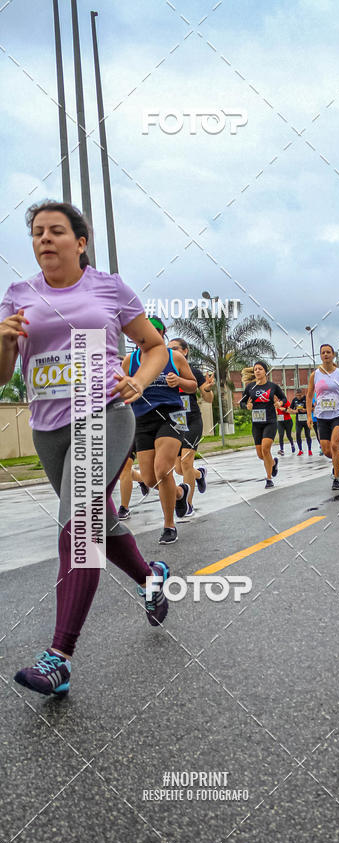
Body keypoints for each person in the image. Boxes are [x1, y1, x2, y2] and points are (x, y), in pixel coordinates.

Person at [0, 200, 172, 695]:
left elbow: (155, 345)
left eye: (56, 231)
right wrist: (6, 343)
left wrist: (140, 379)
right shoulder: (17, 294)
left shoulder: (108, 287)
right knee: (99, 519)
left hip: (105, 415)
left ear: (80, 242)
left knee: (79, 524)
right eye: (37, 232)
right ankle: (150, 575)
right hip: (48, 427)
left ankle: (60, 657)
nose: (44, 239)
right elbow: (2, 375)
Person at [123, 317, 197, 542]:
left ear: (161, 334)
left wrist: (179, 382)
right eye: (144, 330)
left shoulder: (174, 357)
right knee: (148, 479)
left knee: (163, 469)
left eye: (155, 330)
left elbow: (193, 385)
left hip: (170, 416)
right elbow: (124, 390)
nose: (148, 334)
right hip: (143, 420)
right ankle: (180, 494)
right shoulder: (129, 361)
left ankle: (169, 526)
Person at [167, 337, 214, 517]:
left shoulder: (194, 372)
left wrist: (208, 389)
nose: (172, 352)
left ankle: (188, 504)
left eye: (176, 348)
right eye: (169, 349)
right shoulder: (164, 373)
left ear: (185, 351)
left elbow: (208, 400)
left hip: (192, 420)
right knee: (179, 468)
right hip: (173, 423)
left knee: (186, 462)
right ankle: (199, 475)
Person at [306, 344, 339, 491]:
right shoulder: (315, 375)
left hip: (338, 414)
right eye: (323, 353)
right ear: (320, 356)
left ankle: (336, 478)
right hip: (321, 416)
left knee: (335, 445)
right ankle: (338, 459)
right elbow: (309, 396)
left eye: (328, 352)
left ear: (333, 355)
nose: (326, 355)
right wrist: (309, 416)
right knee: (327, 450)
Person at [240, 361, 288, 487]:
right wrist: (247, 406)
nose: (257, 371)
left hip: (270, 422)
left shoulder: (272, 386)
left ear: (265, 372)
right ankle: (273, 463)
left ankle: (268, 478)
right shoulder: (250, 387)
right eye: (255, 369)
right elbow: (242, 403)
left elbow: (284, 399)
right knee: (261, 454)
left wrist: (280, 404)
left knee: (265, 448)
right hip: (257, 424)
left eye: (260, 369)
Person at [117, 448, 148, 519]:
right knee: (120, 470)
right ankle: (143, 480)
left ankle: (124, 507)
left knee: (125, 467)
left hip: (128, 438)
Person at [290, 388, 313, 456]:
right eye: (297, 395)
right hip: (298, 421)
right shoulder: (294, 400)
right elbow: (291, 409)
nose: (298, 397)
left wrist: (305, 410)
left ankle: (309, 450)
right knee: (298, 434)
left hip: (306, 420)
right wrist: (295, 411)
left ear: (302, 394)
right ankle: (300, 450)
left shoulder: (306, 399)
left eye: (300, 395)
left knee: (307, 435)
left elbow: (313, 408)